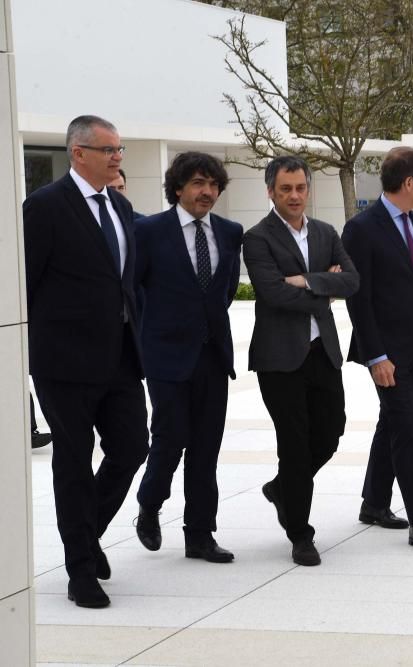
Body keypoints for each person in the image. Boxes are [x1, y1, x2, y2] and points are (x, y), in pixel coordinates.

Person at [23, 115, 149, 608]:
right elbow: (26, 284)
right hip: (64, 361)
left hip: (119, 355)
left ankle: (85, 534)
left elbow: (126, 279)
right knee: (73, 463)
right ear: (79, 153)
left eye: (119, 149)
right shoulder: (45, 206)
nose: (118, 156)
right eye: (109, 149)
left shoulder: (119, 204)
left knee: (132, 448)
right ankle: (81, 572)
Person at [244, 156, 360, 566]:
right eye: (285, 189)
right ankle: (300, 533)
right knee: (293, 445)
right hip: (279, 358)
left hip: (321, 352)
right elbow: (272, 294)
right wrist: (322, 288)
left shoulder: (326, 232)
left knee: (330, 432)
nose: (294, 196)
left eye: (300, 188)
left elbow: (352, 281)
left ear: (308, 189)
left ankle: (282, 489)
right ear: (271, 192)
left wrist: (307, 280)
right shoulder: (257, 238)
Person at [343, 147, 413, 547]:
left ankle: (374, 502)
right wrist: (376, 356)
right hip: (385, 353)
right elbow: (359, 299)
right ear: (409, 182)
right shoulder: (361, 229)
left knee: (392, 423)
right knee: (406, 427)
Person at [132, 152, 243, 564]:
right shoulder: (149, 232)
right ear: (178, 188)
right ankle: (149, 504)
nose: (207, 192)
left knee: (206, 449)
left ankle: (199, 534)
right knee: (170, 438)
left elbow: (224, 291)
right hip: (165, 357)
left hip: (212, 355)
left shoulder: (231, 233)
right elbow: (133, 290)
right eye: (198, 183)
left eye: (213, 185)